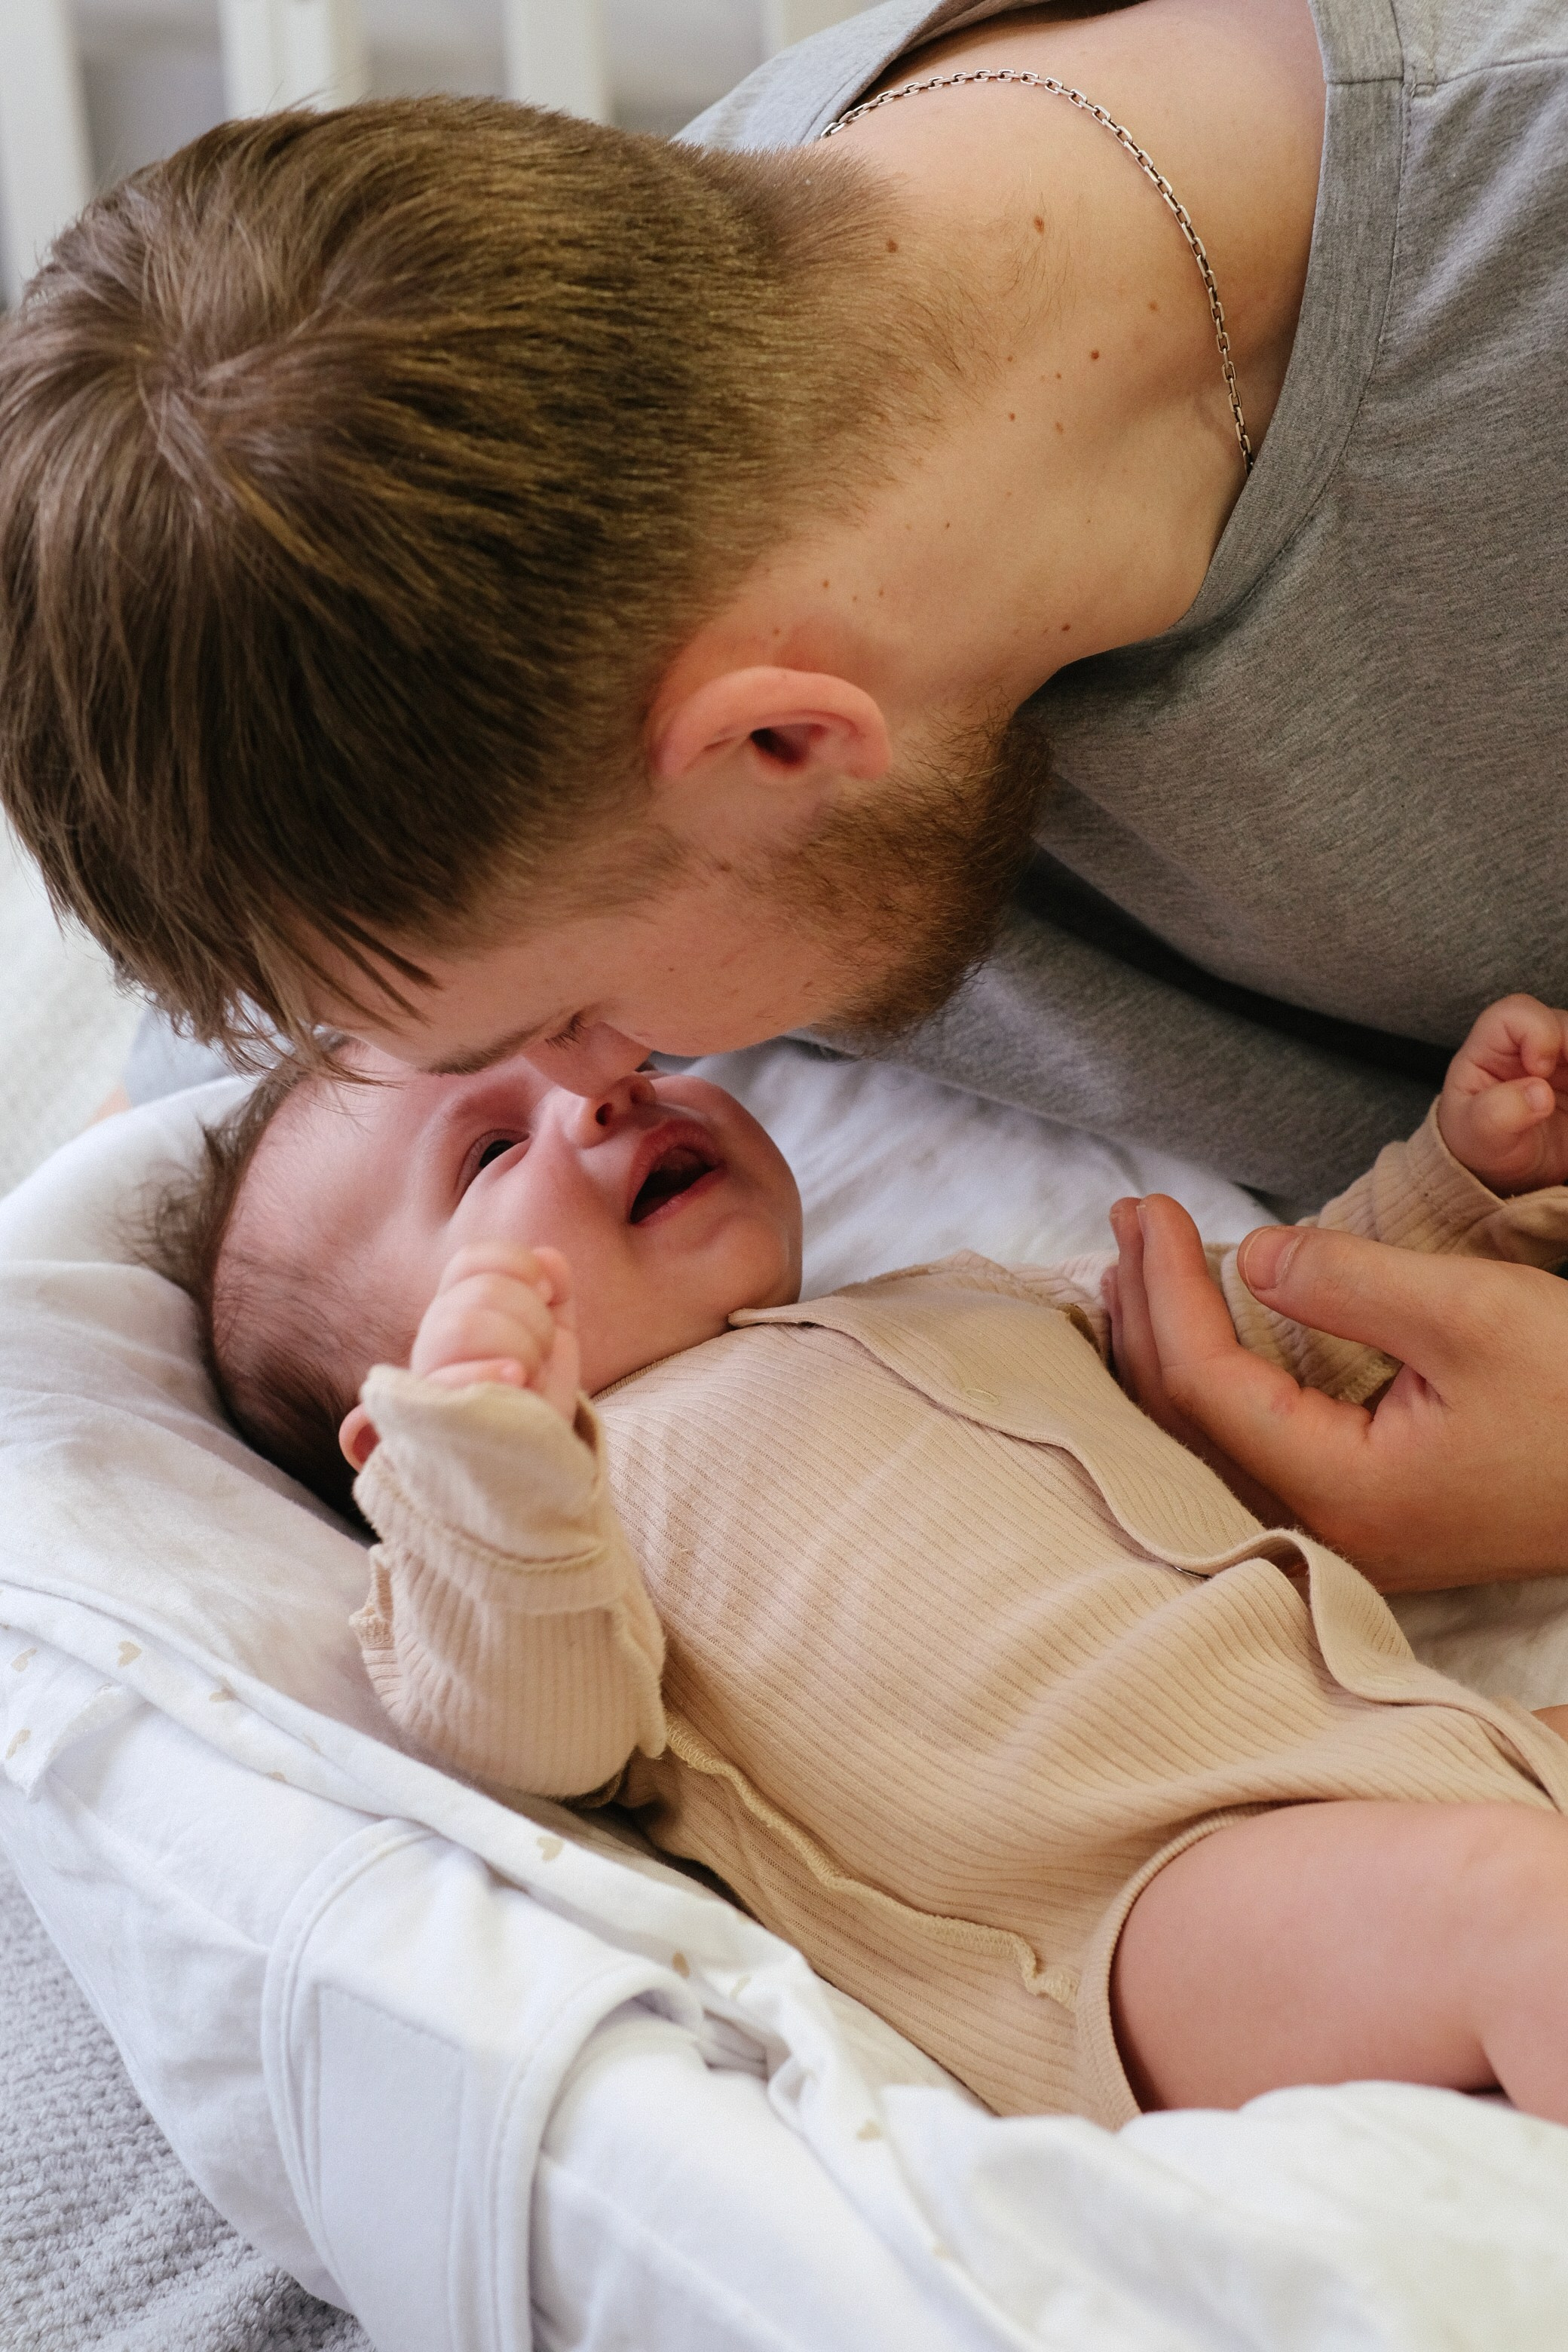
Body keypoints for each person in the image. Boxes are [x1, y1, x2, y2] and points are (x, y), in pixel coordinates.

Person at [2, 1, 1565, 1582]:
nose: (602, 1079)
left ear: (780, 745)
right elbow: (272, 1157)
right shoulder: (583, 465)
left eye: (571, 1018)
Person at [152, 992, 1568, 2127]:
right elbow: (534, 1725)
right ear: (392, 1429)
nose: (606, 1089)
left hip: (1442, 1751)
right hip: (1151, 1929)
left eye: (590, 1057)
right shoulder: (552, 1528)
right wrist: (484, 1471)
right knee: (1516, 1915)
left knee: (1506, 1879)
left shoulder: (960, 1307)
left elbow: (1251, 1366)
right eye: (490, 1151)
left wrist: (1458, 1191)